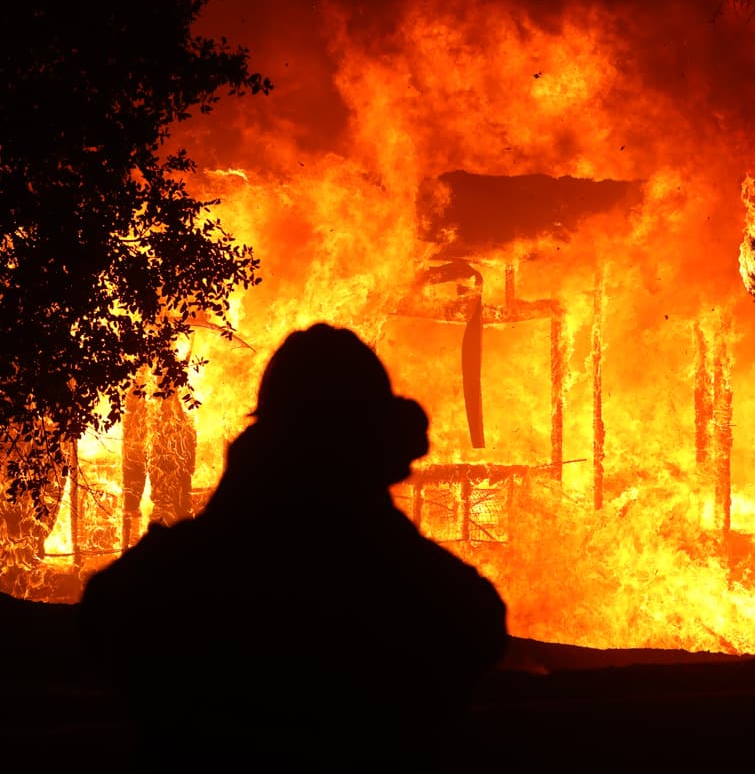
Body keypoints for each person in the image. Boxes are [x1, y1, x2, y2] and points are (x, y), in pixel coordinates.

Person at [79, 323, 508, 770]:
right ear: (374, 440)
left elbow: (102, 624)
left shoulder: (159, 583)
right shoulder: (436, 596)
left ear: (266, 435)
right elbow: (476, 632)